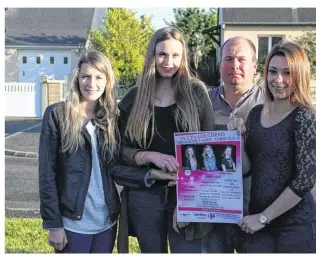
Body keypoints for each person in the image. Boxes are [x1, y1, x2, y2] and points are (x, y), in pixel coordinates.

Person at [38, 51, 176, 253]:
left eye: (98, 77)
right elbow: (46, 175)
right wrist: (53, 224)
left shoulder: (109, 118)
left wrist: (153, 173)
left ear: (107, 81)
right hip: (72, 223)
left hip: (106, 223)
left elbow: (115, 168)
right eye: (85, 76)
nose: (91, 83)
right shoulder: (57, 115)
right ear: (77, 78)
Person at [116, 27, 215, 253]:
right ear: (152, 55)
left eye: (175, 55)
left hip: (187, 195)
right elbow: (119, 151)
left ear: (183, 57)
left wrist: (186, 202)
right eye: (162, 54)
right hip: (145, 196)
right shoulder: (134, 97)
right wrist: (150, 156)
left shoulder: (196, 92)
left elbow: (209, 149)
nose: (168, 61)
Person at [238, 41, 316, 253]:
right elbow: (248, 168)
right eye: (273, 72)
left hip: (296, 227)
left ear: (300, 75)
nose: (279, 80)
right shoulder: (256, 114)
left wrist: (263, 218)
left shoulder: (304, 117)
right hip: (259, 226)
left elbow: (304, 182)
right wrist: (237, 141)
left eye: (287, 73)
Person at [203, 36, 265, 253]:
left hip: (256, 214)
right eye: (228, 59)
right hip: (213, 215)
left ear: (254, 65)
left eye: (242, 59)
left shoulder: (269, 103)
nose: (235, 65)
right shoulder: (204, 102)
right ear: (220, 65)